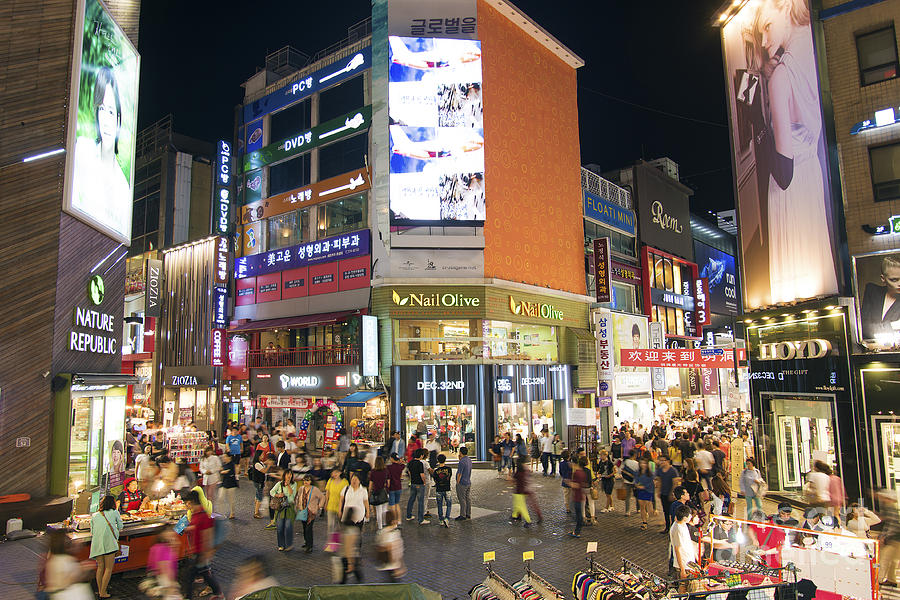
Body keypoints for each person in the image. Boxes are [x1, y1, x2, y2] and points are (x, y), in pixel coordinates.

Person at [752, 0, 838, 303]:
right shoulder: (813, 56)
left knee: (792, 292)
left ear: (786, 8)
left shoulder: (782, 77)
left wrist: (759, 123)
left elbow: (783, 174)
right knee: (822, 281)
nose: (764, 41)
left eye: (766, 28)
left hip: (789, 195)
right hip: (811, 175)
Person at [181, 490, 223, 599]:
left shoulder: (203, 516)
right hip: (197, 551)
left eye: (186, 503)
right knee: (205, 575)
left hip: (200, 552)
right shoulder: (196, 514)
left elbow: (207, 535)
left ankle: (188, 597)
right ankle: (218, 593)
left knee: (189, 576)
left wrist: (205, 553)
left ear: (190, 502)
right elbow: (197, 527)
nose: (186, 505)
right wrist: (187, 529)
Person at [43, 529, 92, 600]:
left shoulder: (53, 559)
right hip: (67, 595)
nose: (70, 541)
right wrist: (84, 569)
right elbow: (72, 578)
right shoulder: (65, 560)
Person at [89, 494, 122, 599]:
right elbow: (121, 526)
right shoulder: (115, 512)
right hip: (109, 544)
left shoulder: (94, 515)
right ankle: (103, 592)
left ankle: (100, 591)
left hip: (97, 544)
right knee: (108, 569)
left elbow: (92, 531)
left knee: (100, 567)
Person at [861, 256, 900, 340]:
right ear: (883, 278)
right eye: (894, 280)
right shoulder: (872, 291)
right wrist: (894, 325)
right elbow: (863, 327)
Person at [143, 527, 180, 599]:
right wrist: (171, 587)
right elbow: (165, 570)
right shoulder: (163, 549)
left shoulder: (157, 547)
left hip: (159, 582)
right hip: (163, 582)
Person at [296, 474, 325, 553]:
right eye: (305, 480)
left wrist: (319, 506)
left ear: (311, 481)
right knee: (304, 528)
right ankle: (306, 542)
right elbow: (299, 497)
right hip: (303, 511)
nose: (306, 482)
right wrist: (298, 506)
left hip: (311, 512)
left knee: (309, 529)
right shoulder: (301, 489)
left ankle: (310, 545)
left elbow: (322, 497)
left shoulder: (315, 489)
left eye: (308, 480)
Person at [374, 512, 407, 581]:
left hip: (384, 564)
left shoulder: (381, 532)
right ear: (393, 520)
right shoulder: (394, 533)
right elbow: (392, 549)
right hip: (392, 566)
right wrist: (397, 567)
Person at [271, 469, 298, 551]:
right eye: (287, 474)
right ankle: (281, 545)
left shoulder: (294, 484)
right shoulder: (279, 484)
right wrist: (278, 495)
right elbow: (271, 492)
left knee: (288, 527)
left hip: (289, 507)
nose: (289, 476)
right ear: (284, 475)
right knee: (280, 527)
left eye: (290, 474)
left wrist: (288, 485)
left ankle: (289, 544)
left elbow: (292, 495)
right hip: (281, 508)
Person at [879, 489, 900, 587]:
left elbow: (891, 525)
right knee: (893, 560)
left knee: (884, 559)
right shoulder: (893, 508)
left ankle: (878, 580)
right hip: (896, 538)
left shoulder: (890, 508)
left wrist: (883, 536)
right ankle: (892, 579)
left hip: (892, 539)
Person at [670, 505, 698, 580]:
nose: (691, 516)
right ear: (685, 518)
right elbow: (677, 549)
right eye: (689, 515)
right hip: (683, 564)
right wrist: (682, 570)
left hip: (688, 562)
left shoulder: (682, 524)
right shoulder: (677, 529)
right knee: (684, 587)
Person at [656, 456, 681, 533]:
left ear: (668, 461)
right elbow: (659, 481)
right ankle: (667, 527)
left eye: (663, 460)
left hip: (670, 493)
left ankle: (674, 528)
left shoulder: (673, 470)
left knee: (672, 511)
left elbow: (675, 483)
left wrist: (672, 494)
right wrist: (659, 491)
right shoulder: (660, 470)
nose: (661, 462)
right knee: (665, 511)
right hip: (663, 492)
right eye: (660, 460)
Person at [406, 448, 429, 524]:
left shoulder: (411, 462)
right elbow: (422, 474)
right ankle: (421, 519)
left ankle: (408, 515)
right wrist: (424, 482)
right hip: (419, 484)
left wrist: (411, 478)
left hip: (413, 483)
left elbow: (409, 472)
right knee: (420, 502)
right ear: (421, 455)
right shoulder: (420, 463)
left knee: (411, 499)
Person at [567, 458, 589, 538]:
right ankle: (577, 530)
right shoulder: (583, 473)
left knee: (578, 515)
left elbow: (576, 485)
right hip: (581, 495)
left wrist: (569, 483)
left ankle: (577, 531)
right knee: (578, 514)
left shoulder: (577, 473)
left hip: (577, 496)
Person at [510, 457, 533, 527]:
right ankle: (514, 515)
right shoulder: (524, 471)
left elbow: (513, 480)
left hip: (518, 491)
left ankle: (528, 520)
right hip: (521, 490)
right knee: (517, 504)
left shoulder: (518, 473)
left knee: (521, 507)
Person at [325, 468, 350, 532]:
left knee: (341, 525)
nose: (335, 474)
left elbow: (346, 495)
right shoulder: (330, 481)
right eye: (333, 473)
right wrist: (326, 503)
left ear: (340, 473)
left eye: (336, 472)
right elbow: (327, 493)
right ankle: (331, 539)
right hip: (331, 505)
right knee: (330, 525)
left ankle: (341, 539)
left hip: (340, 506)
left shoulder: (345, 482)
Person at [369, 456, 389, 529]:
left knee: (378, 510)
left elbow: (371, 484)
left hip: (376, 492)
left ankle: (380, 526)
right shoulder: (386, 471)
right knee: (384, 509)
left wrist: (369, 492)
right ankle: (384, 523)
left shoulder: (373, 472)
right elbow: (388, 482)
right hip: (384, 491)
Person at [433, 454, 453, 527]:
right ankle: (447, 518)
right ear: (445, 460)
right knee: (449, 504)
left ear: (438, 461)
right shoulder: (449, 469)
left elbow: (435, 480)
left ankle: (441, 520)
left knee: (439, 505)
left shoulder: (436, 471)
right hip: (447, 489)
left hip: (439, 489)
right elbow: (449, 477)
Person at [634, 459, 655, 531]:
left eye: (644, 463)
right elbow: (635, 480)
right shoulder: (637, 472)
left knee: (648, 506)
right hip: (640, 491)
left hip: (648, 491)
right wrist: (637, 485)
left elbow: (652, 483)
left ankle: (651, 515)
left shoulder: (650, 473)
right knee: (642, 506)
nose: (643, 465)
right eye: (641, 463)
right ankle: (644, 522)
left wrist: (644, 487)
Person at [386, 453, 406, 525]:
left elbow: (388, 480)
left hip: (392, 488)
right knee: (397, 504)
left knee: (392, 505)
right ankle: (399, 519)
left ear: (391, 458)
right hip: (399, 487)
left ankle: (394, 520)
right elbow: (403, 464)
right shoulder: (400, 467)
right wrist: (400, 462)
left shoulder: (389, 467)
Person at [218, 453, 238, 519]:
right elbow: (221, 470)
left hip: (231, 484)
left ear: (229, 457)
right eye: (223, 457)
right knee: (220, 498)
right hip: (224, 483)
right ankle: (221, 512)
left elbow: (227, 472)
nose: (223, 458)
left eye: (225, 457)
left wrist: (222, 471)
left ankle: (232, 513)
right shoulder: (224, 464)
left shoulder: (232, 464)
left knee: (231, 500)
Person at [248, 449, 267, 519]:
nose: (263, 456)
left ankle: (256, 509)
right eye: (262, 455)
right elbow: (264, 471)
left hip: (258, 481)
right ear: (258, 456)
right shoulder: (257, 464)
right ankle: (256, 512)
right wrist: (269, 465)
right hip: (259, 482)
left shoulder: (259, 463)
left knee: (257, 494)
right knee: (259, 496)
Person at [456, 445, 472, 521]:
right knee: (467, 498)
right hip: (468, 481)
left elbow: (459, 473)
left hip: (462, 482)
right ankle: (468, 513)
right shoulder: (469, 460)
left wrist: (457, 482)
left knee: (462, 499)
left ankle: (463, 515)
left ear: (460, 452)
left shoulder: (462, 462)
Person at [621, 450, 640, 516]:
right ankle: (638, 509)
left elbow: (621, 470)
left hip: (626, 481)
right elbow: (638, 473)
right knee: (637, 496)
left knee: (627, 496)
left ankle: (627, 511)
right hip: (635, 481)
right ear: (635, 455)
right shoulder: (637, 463)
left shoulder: (625, 462)